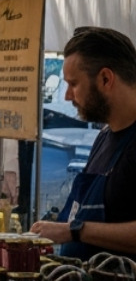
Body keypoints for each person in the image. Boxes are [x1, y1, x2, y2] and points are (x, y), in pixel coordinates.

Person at [31, 28, 136, 257]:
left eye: (74, 84)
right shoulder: (104, 138)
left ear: (106, 79)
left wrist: (76, 231)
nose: (68, 96)